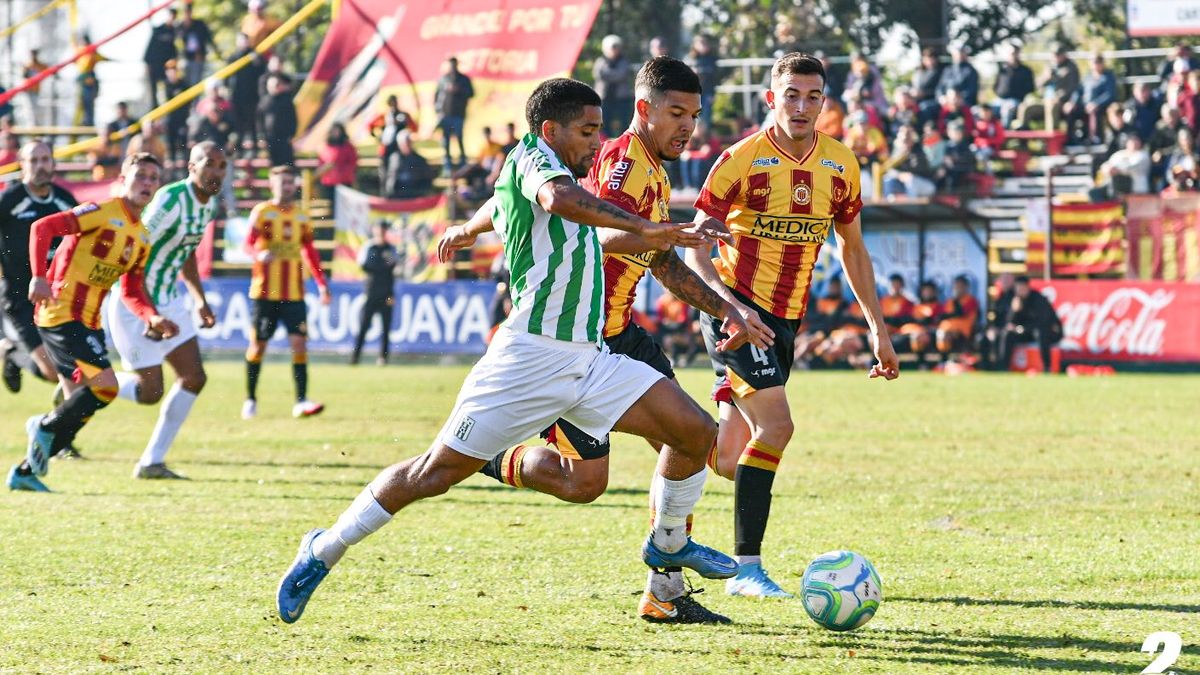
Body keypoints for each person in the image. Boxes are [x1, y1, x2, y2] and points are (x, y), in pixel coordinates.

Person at [276, 76, 739, 625]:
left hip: (589, 356)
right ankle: (325, 547)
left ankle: (666, 552)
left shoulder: (555, 166)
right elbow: (556, 198)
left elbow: (502, 205)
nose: (597, 142)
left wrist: (467, 229)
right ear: (550, 130)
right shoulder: (535, 162)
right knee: (432, 474)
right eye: (588, 132)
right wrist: (649, 227)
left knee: (693, 434)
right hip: (528, 358)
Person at [439, 57, 766, 624]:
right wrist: (658, 238)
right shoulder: (619, 166)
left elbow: (660, 262)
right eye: (675, 113)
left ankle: (664, 589)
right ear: (645, 110)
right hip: (584, 339)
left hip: (623, 332)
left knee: (689, 442)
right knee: (587, 481)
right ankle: (488, 455)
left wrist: (726, 306)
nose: (687, 126)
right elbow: (586, 226)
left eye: (694, 114)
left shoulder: (654, 170)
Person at [686, 52, 899, 597]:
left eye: (813, 97)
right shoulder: (740, 160)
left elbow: (852, 248)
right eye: (791, 95)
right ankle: (747, 570)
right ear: (770, 99)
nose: (801, 107)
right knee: (777, 428)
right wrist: (728, 309)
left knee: (733, 459)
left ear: (824, 102)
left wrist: (878, 327)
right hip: (737, 312)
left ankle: (672, 433)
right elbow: (697, 249)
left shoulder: (840, 165)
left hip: (787, 321)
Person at [7, 153, 177, 492]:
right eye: (140, 174)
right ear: (124, 177)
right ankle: (42, 425)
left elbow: (131, 289)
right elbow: (43, 227)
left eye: (153, 178)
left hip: (88, 321)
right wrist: (39, 277)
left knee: (83, 405)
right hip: (60, 311)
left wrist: (151, 315)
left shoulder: (141, 237)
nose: (146, 182)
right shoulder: (101, 211)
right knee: (105, 387)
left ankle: (26, 471)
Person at [95, 142, 225, 481]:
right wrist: (147, 313)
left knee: (194, 377)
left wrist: (198, 298)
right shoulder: (169, 199)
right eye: (209, 164)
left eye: (222, 166)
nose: (216, 172)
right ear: (191, 167)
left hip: (170, 300)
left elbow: (186, 252)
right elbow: (134, 244)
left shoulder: (207, 206)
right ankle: (89, 382)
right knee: (149, 392)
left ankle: (152, 462)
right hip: (134, 300)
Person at [241, 166, 331, 420]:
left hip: (294, 294)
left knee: (300, 344)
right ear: (272, 185)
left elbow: (310, 253)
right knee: (258, 346)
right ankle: (250, 399)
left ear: (295, 186)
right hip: (264, 293)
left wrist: (322, 284)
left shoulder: (302, 217)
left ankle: (301, 401)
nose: (286, 187)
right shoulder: (262, 212)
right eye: (281, 183)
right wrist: (258, 254)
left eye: (290, 182)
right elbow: (246, 244)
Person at [0, 142, 78, 396]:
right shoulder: (9, 200)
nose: (40, 166)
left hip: (57, 298)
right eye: (33, 160)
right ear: (22, 165)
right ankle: (13, 355)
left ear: (54, 164)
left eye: (45, 160)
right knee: (52, 371)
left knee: (69, 371)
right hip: (19, 297)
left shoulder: (65, 200)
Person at [351, 221, 397, 366]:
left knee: (386, 327)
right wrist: (382, 265)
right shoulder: (369, 247)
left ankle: (383, 358)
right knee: (364, 326)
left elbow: (393, 265)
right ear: (375, 231)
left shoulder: (390, 249)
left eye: (383, 230)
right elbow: (365, 265)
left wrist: (381, 265)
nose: (381, 233)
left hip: (387, 293)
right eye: (379, 230)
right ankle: (356, 357)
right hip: (371, 292)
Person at [998, 275, 1063, 372]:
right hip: (1026, 332)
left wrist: (1022, 328)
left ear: (1027, 287)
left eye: (1022, 287)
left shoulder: (1038, 299)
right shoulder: (1015, 299)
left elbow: (1044, 322)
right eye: (1018, 287)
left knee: (1041, 333)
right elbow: (1009, 323)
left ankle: (1047, 367)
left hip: (1048, 332)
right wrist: (1014, 311)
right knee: (1007, 335)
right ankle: (1004, 367)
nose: (1020, 290)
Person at [228, 33, 267, 156]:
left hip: (252, 95)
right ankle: (239, 150)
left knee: (252, 123)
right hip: (237, 95)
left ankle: (255, 149)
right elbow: (227, 77)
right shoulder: (233, 57)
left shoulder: (255, 55)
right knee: (239, 125)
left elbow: (262, 71)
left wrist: (256, 61)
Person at [1064, 53, 1117, 144]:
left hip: (1100, 106)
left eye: (1098, 62)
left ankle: (1094, 138)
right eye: (1093, 62)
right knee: (1071, 111)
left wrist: (1096, 103)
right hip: (1085, 105)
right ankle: (1071, 139)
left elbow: (1109, 94)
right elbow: (1078, 91)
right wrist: (1072, 102)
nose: (1096, 64)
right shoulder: (1087, 77)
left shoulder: (1108, 77)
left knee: (1093, 111)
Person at [434, 56, 474, 171]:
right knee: (445, 141)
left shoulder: (464, 79)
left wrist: (459, 90)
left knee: (459, 139)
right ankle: (447, 166)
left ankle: (462, 164)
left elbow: (471, 93)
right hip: (445, 115)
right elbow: (437, 96)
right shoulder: (443, 79)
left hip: (458, 114)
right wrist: (438, 111)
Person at [593, 35, 635, 138]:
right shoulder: (600, 61)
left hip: (621, 99)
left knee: (624, 123)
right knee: (604, 123)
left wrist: (607, 75)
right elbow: (597, 74)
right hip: (604, 98)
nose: (615, 49)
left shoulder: (624, 61)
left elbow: (621, 75)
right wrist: (614, 74)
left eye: (617, 47)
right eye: (612, 47)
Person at [315, 122, 358, 214]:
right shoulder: (326, 146)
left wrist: (343, 171)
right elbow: (321, 163)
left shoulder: (348, 147)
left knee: (344, 206)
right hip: (328, 182)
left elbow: (353, 163)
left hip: (344, 181)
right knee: (331, 206)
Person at [935, 274, 979, 360]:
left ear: (966, 287)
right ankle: (943, 362)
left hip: (963, 332)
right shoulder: (950, 301)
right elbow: (943, 315)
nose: (958, 288)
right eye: (956, 286)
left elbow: (960, 313)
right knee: (940, 334)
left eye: (961, 286)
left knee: (946, 335)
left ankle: (946, 360)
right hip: (946, 329)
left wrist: (955, 300)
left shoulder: (971, 300)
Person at [258, 73, 298, 167]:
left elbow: (292, 119)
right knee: (273, 163)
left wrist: (292, 134)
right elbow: (259, 120)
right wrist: (261, 137)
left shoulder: (287, 101)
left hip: (284, 138)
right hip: (270, 138)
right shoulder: (264, 101)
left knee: (286, 162)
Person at [993, 44, 1035, 128]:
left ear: (1018, 53)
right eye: (1010, 53)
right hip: (1000, 99)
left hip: (1015, 101)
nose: (1012, 55)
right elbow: (996, 86)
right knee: (986, 110)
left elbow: (1030, 88)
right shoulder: (1003, 70)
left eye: (1014, 53)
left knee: (1007, 109)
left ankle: (1003, 135)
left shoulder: (1025, 71)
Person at [177, 4, 220, 86]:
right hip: (186, 58)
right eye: (185, 12)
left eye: (189, 12)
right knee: (186, 83)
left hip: (198, 58)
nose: (187, 14)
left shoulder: (199, 24)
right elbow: (177, 43)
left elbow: (209, 38)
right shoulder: (180, 27)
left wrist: (216, 52)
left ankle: (196, 99)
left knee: (196, 82)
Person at [144, 9, 178, 108]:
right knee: (153, 88)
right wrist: (148, 63)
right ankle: (154, 106)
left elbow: (172, 48)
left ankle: (169, 104)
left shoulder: (173, 31)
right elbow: (150, 47)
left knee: (168, 85)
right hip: (154, 63)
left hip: (165, 65)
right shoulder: (159, 30)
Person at [385, 131, 435, 199]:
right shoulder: (394, 158)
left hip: (415, 194)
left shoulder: (419, 160)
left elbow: (427, 178)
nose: (406, 145)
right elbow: (390, 178)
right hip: (397, 195)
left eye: (408, 142)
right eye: (404, 143)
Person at [685, 35, 719, 127]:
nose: (703, 46)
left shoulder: (712, 59)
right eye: (701, 43)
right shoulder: (689, 59)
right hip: (693, 93)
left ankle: (705, 137)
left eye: (705, 44)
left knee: (706, 117)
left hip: (707, 93)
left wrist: (712, 94)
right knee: (693, 116)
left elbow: (715, 79)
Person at [75, 34, 106, 127]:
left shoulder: (92, 52)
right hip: (82, 79)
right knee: (82, 101)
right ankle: (85, 120)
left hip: (89, 79)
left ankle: (89, 121)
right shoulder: (80, 51)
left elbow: (102, 58)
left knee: (89, 101)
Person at [21, 50, 50, 126]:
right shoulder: (28, 65)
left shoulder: (40, 65)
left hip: (36, 89)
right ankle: (32, 124)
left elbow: (48, 69)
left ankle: (37, 124)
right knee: (30, 108)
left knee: (37, 107)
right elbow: (24, 76)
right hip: (28, 89)